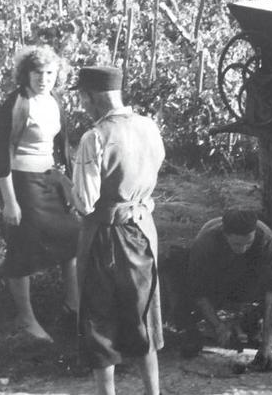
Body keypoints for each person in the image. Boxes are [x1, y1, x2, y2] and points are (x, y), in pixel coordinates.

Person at [71, 66, 165, 395]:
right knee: (142, 315)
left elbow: (84, 202)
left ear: (90, 96)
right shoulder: (149, 127)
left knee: (99, 319)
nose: (82, 104)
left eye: (82, 97)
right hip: (143, 229)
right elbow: (154, 171)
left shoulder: (94, 137)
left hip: (106, 234)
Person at [0, 44, 80, 343]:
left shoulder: (54, 100)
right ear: (25, 74)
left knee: (72, 238)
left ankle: (73, 308)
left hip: (49, 179)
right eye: (38, 72)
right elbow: (1, 154)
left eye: (50, 73)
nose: (44, 78)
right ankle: (27, 320)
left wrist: (68, 182)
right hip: (21, 183)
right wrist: (9, 202)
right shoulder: (15, 104)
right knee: (23, 246)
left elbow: (62, 145)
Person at [176, 209, 272, 372]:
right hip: (216, 283)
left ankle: (252, 325)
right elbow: (198, 291)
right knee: (176, 275)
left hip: (248, 282)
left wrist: (267, 347)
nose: (243, 249)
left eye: (248, 244)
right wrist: (218, 326)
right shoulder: (206, 241)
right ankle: (190, 331)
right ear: (225, 235)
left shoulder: (266, 239)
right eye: (237, 244)